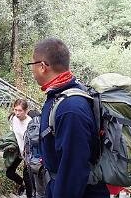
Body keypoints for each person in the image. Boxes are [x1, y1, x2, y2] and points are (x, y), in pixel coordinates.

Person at [29, 38, 109, 198]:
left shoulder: (70, 108)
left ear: (42, 67)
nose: (32, 70)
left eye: (32, 65)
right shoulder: (63, 95)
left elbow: (74, 169)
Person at [6, 99, 33, 197]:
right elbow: (14, 134)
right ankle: (23, 185)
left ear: (26, 111)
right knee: (9, 172)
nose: (17, 113)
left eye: (20, 110)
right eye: (15, 110)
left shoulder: (30, 123)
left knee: (27, 177)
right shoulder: (13, 118)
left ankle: (30, 193)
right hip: (18, 151)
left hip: (28, 154)